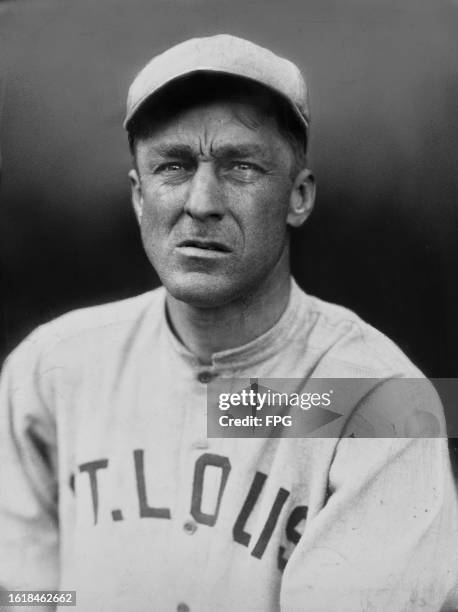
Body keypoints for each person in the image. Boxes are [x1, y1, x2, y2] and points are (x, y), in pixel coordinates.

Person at [0, 34, 456, 612]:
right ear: (140, 197)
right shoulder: (49, 368)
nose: (201, 202)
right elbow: (26, 593)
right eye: (174, 166)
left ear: (298, 196)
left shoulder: (386, 401)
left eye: (240, 167)